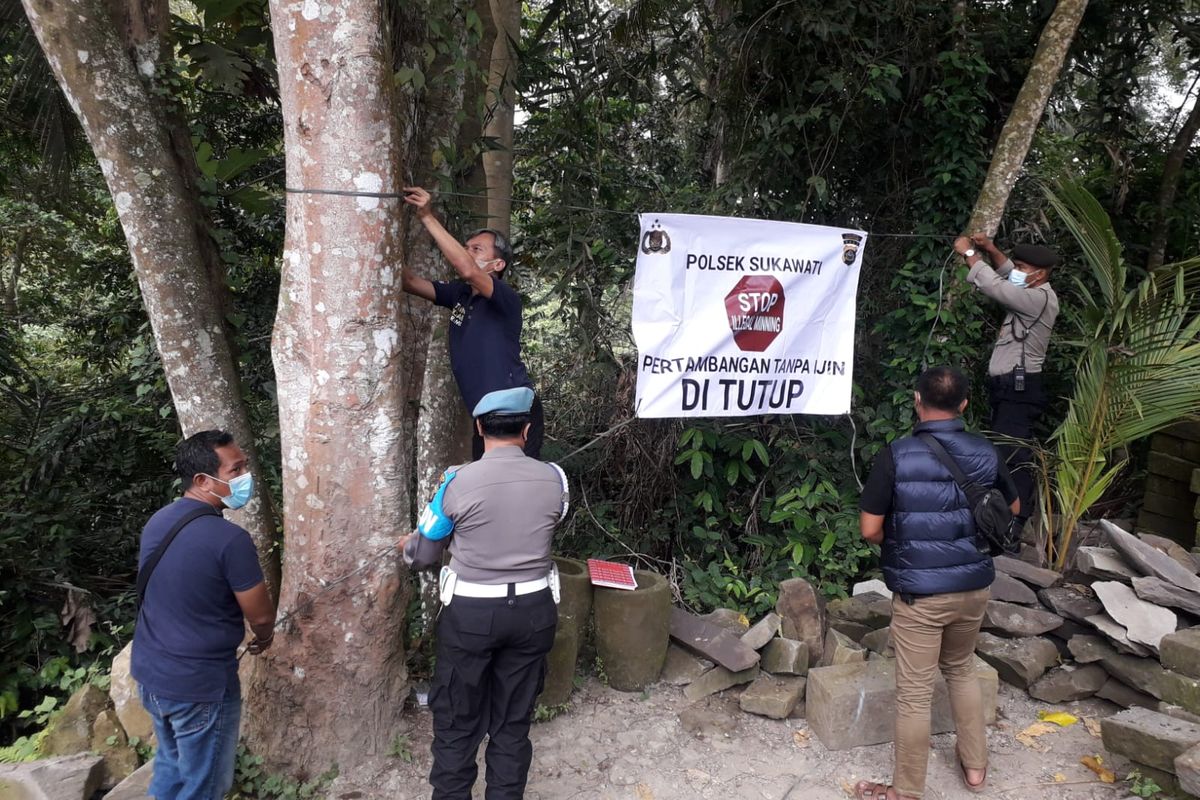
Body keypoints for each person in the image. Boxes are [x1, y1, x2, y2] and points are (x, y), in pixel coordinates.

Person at [853, 367, 1019, 800]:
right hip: (974, 589)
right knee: (962, 670)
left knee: (913, 695)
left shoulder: (897, 455)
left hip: (920, 595)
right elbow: (1013, 506)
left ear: (916, 399)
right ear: (964, 404)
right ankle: (976, 769)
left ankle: (905, 791)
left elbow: (869, 529)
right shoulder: (985, 450)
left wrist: (910, 544)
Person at [400, 387, 568, 800]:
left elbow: (422, 554)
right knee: (513, 724)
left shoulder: (456, 483)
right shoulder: (555, 479)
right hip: (533, 612)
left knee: (457, 722)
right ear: (526, 430)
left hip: (471, 615)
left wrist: (409, 543)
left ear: (479, 428)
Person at [132, 430, 277, 800]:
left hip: (151, 675)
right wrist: (264, 637)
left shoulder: (158, 522)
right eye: (236, 469)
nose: (246, 477)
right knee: (206, 785)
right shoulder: (229, 540)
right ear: (202, 480)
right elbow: (259, 615)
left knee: (171, 766)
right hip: (200, 686)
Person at [400, 186, 543, 460]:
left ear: (497, 265)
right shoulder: (459, 294)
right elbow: (409, 282)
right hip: (483, 415)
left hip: (512, 411)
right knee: (488, 486)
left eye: (476, 249)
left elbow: (467, 268)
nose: (467, 253)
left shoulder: (505, 298)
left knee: (511, 487)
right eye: (466, 248)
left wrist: (427, 216)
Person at [954, 233, 1059, 535]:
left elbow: (994, 285)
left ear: (1039, 274)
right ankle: (1003, 516)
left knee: (1012, 455)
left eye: (1024, 267)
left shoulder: (1037, 298)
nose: (1018, 271)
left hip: (1019, 390)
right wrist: (990, 249)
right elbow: (1007, 273)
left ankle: (1014, 523)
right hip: (1009, 389)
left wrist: (970, 253)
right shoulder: (1028, 285)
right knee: (1004, 452)